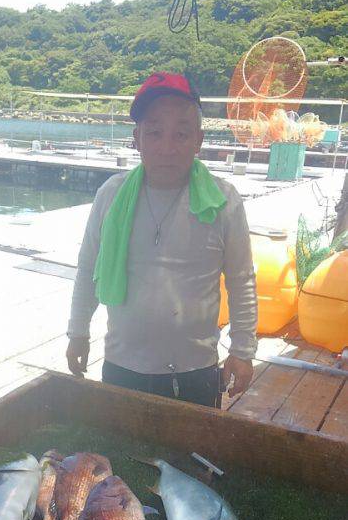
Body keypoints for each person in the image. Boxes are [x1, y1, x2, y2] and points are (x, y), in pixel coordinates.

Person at [66, 72, 257, 407]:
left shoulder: (223, 201)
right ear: (137, 138)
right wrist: (78, 332)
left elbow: (242, 281)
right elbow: (87, 271)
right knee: (119, 457)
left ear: (198, 139)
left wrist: (242, 351)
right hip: (122, 367)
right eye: (154, 132)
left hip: (194, 372)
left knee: (190, 458)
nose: (167, 147)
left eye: (181, 134)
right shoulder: (111, 196)